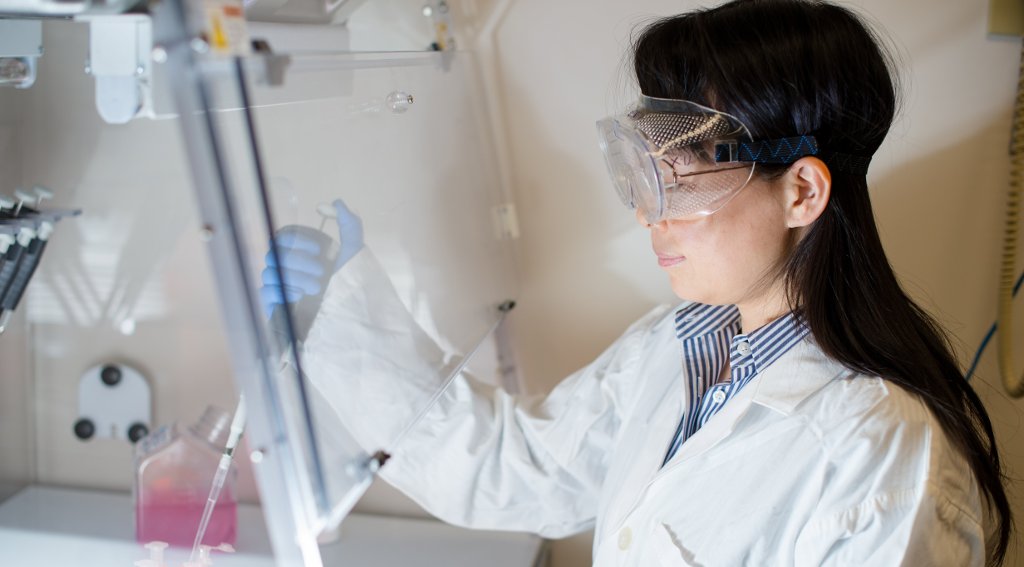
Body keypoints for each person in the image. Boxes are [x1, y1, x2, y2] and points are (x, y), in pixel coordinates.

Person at [262, 0, 1013, 564]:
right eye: (649, 177)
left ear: (803, 193)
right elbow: (516, 468)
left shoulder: (885, 452)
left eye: (684, 181)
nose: (651, 216)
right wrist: (334, 309)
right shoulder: (678, 346)